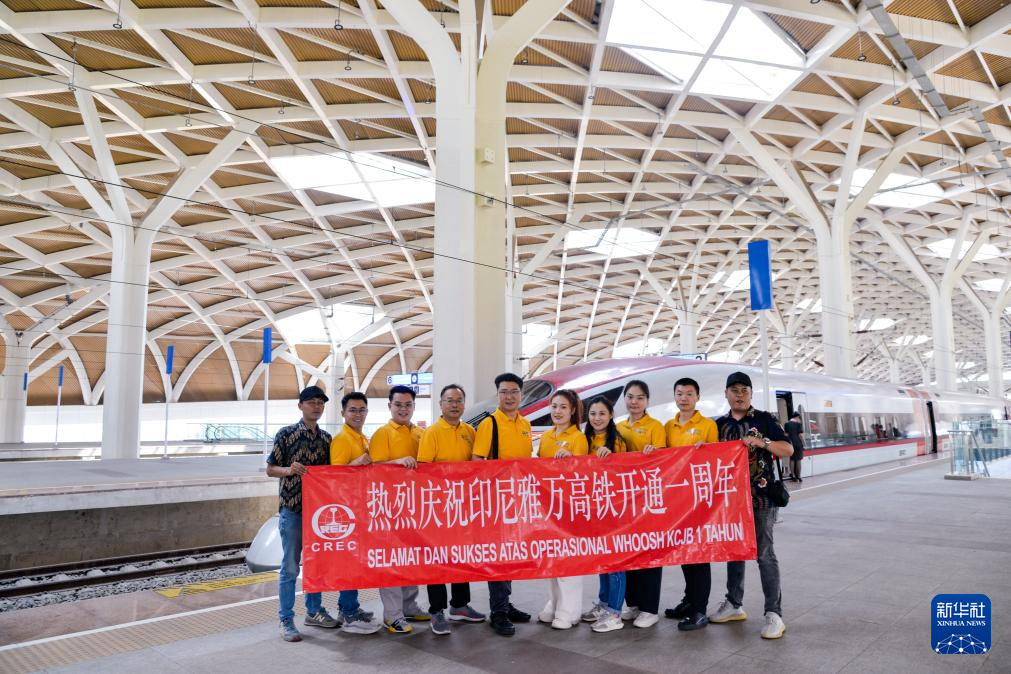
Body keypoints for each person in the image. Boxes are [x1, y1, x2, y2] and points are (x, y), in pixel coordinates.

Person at [266, 386, 373, 642]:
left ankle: (314, 611)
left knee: (317, 563)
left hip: (320, 513)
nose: (316, 407)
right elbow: (270, 469)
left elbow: (333, 474)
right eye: (311, 402)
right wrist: (288, 470)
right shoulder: (286, 434)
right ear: (300, 405)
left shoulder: (327, 439)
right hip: (293, 509)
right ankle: (286, 619)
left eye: (320, 403)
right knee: (290, 567)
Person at [708, 372, 793, 640]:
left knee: (764, 554)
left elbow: (788, 449)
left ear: (751, 394)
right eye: (734, 390)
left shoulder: (765, 419)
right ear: (726, 394)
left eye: (744, 390)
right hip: (730, 501)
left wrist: (762, 442)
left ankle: (773, 613)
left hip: (761, 498)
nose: (740, 395)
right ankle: (734, 604)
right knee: (734, 551)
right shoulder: (718, 425)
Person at [417, 384, 487, 635]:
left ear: (464, 404)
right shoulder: (432, 433)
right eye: (449, 400)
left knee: (461, 555)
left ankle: (459, 605)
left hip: (463, 508)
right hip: (438, 508)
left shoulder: (470, 431)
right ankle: (436, 610)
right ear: (441, 404)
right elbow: (424, 471)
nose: (454, 405)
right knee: (437, 559)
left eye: (458, 400)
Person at [472, 372, 535, 636]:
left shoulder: (525, 424)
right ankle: (497, 611)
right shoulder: (490, 424)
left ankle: (505, 604)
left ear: (521, 394)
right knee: (498, 556)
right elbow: (477, 461)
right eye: (504, 392)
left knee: (510, 555)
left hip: (517, 500)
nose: (509, 397)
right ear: (497, 395)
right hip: (496, 501)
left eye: (514, 391)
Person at [369, 384, 430, 634]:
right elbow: (375, 468)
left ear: (414, 407)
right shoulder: (382, 434)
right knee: (392, 562)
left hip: (416, 508)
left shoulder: (421, 434)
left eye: (408, 405)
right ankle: (392, 615)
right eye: (398, 405)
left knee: (412, 559)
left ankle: (409, 605)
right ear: (389, 406)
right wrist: (398, 462)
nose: (403, 409)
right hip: (389, 509)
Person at [662, 377, 719, 631]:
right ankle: (689, 601)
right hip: (677, 501)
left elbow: (718, 460)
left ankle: (699, 610)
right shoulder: (668, 426)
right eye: (679, 393)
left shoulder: (708, 425)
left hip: (700, 501)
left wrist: (707, 450)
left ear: (697, 397)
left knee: (699, 555)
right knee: (685, 553)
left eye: (689, 394)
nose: (684, 398)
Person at [327, 391, 381, 635]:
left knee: (355, 563)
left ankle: (349, 607)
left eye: (361, 410)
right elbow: (335, 478)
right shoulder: (342, 440)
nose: (357, 414)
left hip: (359, 509)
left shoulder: (361, 438)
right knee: (349, 564)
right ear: (343, 413)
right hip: (347, 511)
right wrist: (356, 464)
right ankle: (349, 615)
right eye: (352, 410)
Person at [535, 389, 589, 630]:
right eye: (554, 406)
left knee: (569, 561)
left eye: (563, 407)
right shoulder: (546, 437)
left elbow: (583, 473)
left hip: (570, 507)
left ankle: (570, 611)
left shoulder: (578, 438)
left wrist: (571, 458)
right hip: (549, 507)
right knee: (552, 560)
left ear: (573, 410)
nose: (557, 411)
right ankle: (555, 603)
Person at [616, 379, 666, 629]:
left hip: (649, 500)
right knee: (629, 551)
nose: (634, 402)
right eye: (630, 397)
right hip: (626, 501)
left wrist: (653, 453)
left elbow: (665, 462)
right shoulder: (619, 427)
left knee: (650, 553)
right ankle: (634, 603)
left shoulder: (655, 427)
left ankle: (650, 608)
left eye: (640, 398)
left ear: (647, 401)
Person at [579, 396, 628, 633]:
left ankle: (615, 612)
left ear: (611, 416)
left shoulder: (617, 442)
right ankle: (604, 603)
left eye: (602, 413)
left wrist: (612, 458)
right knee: (602, 560)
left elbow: (624, 473)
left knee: (616, 561)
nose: (597, 418)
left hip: (613, 510)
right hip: (593, 510)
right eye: (592, 414)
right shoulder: (584, 440)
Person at [784, 412, 805, 482]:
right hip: (798, 444)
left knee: (792, 459)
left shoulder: (786, 424)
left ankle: (793, 476)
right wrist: (804, 443)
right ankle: (798, 476)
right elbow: (800, 435)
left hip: (791, 444)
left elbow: (786, 435)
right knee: (798, 460)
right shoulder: (798, 424)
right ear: (797, 417)